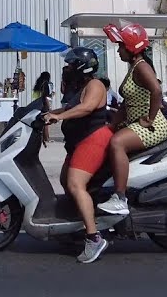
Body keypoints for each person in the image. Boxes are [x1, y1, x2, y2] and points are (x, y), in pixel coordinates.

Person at [44, 47, 113, 264]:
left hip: (93, 139)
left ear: (82, 66)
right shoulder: (78, 86)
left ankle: (94, 238)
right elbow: (68, 107)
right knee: (65, 180)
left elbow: (86, 108)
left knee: (75, 184)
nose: (67, 68)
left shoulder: (95, 85)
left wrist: (60, 117)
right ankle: (79, 224)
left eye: (71, 65)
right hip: (77, 143)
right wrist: (46, 114)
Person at [98, 22, 167, 217]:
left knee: (117, 143)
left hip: (152, 126)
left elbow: (156, 90)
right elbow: (126, 104)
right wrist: (112, 124)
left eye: (121, 46)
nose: (118, 50)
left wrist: (150, 118)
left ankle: (120, 198)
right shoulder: (134, 67)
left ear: (131, 48)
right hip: (135, 122)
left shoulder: (141, 67)